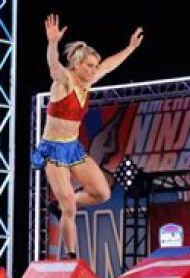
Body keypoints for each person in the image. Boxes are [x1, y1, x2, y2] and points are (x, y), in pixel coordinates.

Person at [32, 14, 143, 259]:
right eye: (90, 66)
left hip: (72, 147)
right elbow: (53, 66)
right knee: (69, 208)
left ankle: (63, 203)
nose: (94, 70)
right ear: (76, 65)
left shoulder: (87, 83)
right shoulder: (64, 82)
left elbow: (109, 65)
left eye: (95, 66)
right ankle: (70, 256)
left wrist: (130, 48)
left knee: (102, 193)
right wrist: (53, 43)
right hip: (53, 150)